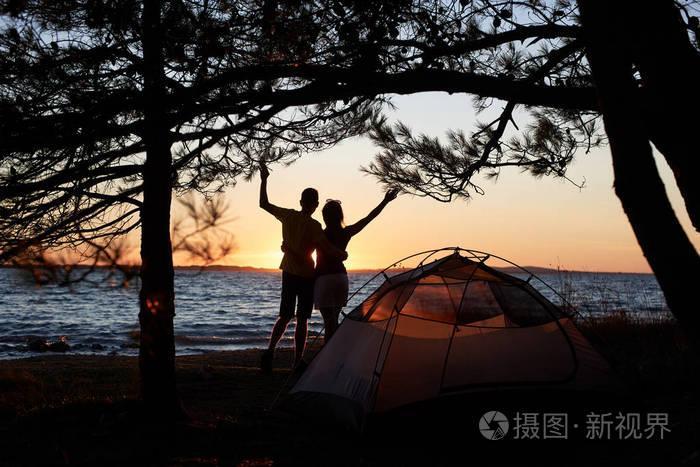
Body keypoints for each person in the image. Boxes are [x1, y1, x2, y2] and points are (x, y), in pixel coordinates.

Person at [258, 162, 347, 372]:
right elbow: (327, 248)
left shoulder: (288, 216)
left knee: (285, 315)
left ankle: (270, 351)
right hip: (307, 275)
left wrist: (264, 180)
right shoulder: (315, 226)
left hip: (289, 272)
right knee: (302, 318)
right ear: (315, 205)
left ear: (301, 202)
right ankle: (297, 361)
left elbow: (263, 204)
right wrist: (342, 254)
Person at [313, 189, 398, 340]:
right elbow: (368, 218)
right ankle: (336, 349)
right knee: (334, 319)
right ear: (340, 215)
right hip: (340, 278)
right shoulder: (346, 232)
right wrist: (385, 201)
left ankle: (330, 353)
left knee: (329, 321)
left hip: (324, 279)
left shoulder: (319, 234)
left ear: (324, 217)